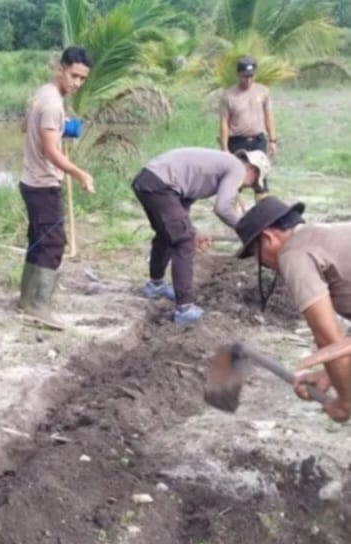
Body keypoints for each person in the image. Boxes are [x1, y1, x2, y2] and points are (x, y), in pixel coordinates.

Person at [234, 197, 351, 422]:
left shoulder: (294, 253)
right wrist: (330, 376)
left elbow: (328, 340)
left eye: (256, 255)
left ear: (268, 237)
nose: (263, 264)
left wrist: (345, 402)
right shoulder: (325, 238)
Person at [132, 147, 270, 324]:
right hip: (161, 186)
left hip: (148, 180)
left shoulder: (215, 166)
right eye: (252, 182)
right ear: (252, 169)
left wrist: (193, 230)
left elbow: (181, 207)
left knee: (167, 234)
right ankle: (185, 309)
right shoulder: (237, 167)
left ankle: (156, 286)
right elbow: (223, 208)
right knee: (184, 243)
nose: (246, 186)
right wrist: (247, 229)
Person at [18, 46, 95, 330]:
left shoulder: (42, 95)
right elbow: (51, 150)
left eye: (82, 79)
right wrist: (79, 173)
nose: (76, 83)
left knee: (38, 240)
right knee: (52, 243)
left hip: (30, 180)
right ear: (61, 68)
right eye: (73, 75)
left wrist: (63, 126)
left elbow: (25, 126)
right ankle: (39, 307)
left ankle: (27, 300)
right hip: (43, 183)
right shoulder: (52, 104)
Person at [219, 55, 277, 196]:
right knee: (235, 182)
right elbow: (224, 123)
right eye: (245, 76)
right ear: (238, 75)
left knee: (261, 182)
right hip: (237, 142)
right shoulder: (229, 96)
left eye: (251, 76)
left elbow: (269, 116)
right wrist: (225, 148)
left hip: (258, 141)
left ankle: (263, 214)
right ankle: (235, 216)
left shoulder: (263, 92)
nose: (248, 80)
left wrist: (272, 140)